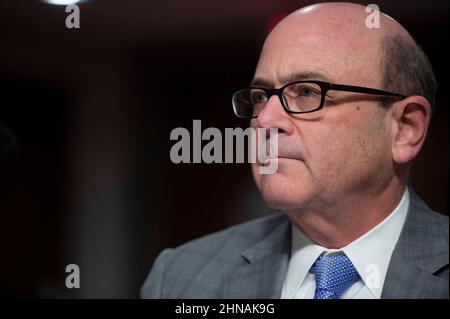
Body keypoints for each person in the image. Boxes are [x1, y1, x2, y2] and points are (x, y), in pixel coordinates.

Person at [140, 2, 448, 299]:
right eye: (260, 96)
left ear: (405, 129)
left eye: (307, 92)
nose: (265, 119)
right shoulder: (180, 277)